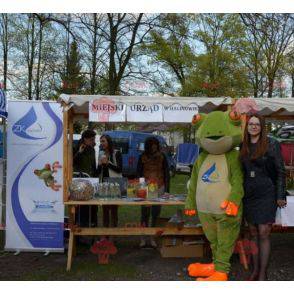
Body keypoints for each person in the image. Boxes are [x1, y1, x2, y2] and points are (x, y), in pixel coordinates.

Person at [240, 114, 286, 281]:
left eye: (257, 124)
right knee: (252, 232)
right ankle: (254, 270)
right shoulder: (243, 144)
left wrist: (280, 194)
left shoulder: (271, 143)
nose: (253, 126)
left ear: (262, 126)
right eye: (251, 124)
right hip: (249, 193)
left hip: (267, 192)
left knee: (264, 231)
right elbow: (242, 171)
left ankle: (262, 274)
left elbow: (281, 171)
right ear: (247, 127)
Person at [136, 136, 170, 248]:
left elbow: (166, 173)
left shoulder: (162, 156)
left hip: (159, 186)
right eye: (152, 144)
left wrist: (167, 190)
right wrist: (140, 188)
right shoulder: (142, 157)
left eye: (155, 144)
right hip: (146, 187)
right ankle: (143, 237)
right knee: (144, 214)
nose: (154, 146)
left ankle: (153, 237)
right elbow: (139, 173)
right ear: (148, 146)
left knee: (155, 213)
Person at [73, 129, 98, 227]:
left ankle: (90, 226)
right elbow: (72, 162)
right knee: (80, 207)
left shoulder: (92, 150)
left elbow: (93, 166)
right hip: (79, 182)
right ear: (85, 139)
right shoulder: (76, 148)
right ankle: (79, 227)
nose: (93, 142)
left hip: (90, 181)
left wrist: (95, 178)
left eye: (94, 139)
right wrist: (79, 152)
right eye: (91, 139)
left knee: (90, 206)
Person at [97, 134, 122, 228]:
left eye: (103, 141)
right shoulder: (101, 154)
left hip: (114, 184)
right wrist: (100, 165)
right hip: (104, 184)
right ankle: (105, 235)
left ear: (109, 142)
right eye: (101, 141)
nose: (101, 143)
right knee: (105, 210)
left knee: (114, 210)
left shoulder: (116, 153)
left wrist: (107, 163)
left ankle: (113, 235)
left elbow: (119, 169)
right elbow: (98, 172)